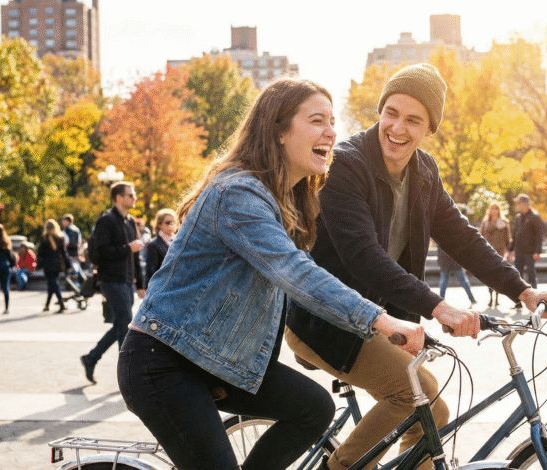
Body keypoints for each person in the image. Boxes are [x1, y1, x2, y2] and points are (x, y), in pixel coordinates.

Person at [116, 77, 424, 470]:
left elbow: (321, 271)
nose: (331, 132)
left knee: (313, 408)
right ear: (279, 131)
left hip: (216, 359)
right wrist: (379, 320)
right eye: (317, 120)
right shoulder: (239, 194)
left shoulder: (286, 202)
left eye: (333, 121)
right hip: (164, 362)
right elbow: (295, 273)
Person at [285, 63, 547, 470]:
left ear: (429, 128)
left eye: (413, 120)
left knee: (432, 415)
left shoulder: (424, 171)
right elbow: (363, 256)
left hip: (380, 322)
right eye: (391, 113)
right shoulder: (345, 166)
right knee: (415, 397)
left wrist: (523, 290)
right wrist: (439, 307)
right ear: (380, 111)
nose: (397, 127)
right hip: (328, 321)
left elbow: (462, 238)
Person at [80, 181, 146, 384]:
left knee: (121, 324)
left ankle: (91, 358)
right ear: (119, 198)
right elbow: (98, 254)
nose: (134, 198)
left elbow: (135, 256)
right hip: (110, 281)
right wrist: (127, 248)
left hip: (126, 281)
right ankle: (128, 377)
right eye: (131, 195)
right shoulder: (106, 221)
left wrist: (141, 284)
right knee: (126, 326)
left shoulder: (130, 222)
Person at [507, 193, 546, 309]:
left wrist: (538, 251)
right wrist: (511, 250)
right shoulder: (519, 217)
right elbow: (515, 235)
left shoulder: (535, 216)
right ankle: (518, 302)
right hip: (519, 252)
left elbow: (539, 235)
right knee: (517, 277)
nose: (516, 205)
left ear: (524, 203)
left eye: (518, 203)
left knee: (531, 276)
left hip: (530, 252)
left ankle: (536, 301)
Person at [480, 203, 511, 307]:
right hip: (488, 251)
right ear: (489, 210)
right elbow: (480, 237)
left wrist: (510, 251)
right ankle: (490, 297)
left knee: (497, 276)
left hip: (499, 251)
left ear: (499, 210)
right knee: (489, 276)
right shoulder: (485, 223)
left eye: (496, 208)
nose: (494, 210)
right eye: (492, 208)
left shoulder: (504, 223)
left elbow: (507, 238)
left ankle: (497, 298)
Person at [37, 219, 70, 313]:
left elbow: (40, 253)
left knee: (53, 284)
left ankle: (61, 303)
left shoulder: (45, 238)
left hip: (48, 264)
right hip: (58, 264)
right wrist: (68, 264)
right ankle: (47, 305)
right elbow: (64, 252)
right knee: (52, 284)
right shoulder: (60, 237)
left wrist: (39, 264)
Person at [144, 208, 176, 286]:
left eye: (173, 222)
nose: (171, 225)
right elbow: (151, 270)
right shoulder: (154, 244)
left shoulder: (179, 241)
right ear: (159, 224)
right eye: (168, 222)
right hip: (162, 286)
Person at [61, 214, 83, 279]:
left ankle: (72, 281)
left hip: (68, 251)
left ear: (67, 221)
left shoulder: (66, 230)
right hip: (75, 250)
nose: (62, 223)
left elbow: (65, 241)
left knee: (70, 267)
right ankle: (80, 279)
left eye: (63, 221)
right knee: (76, 265)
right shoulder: (77, 229)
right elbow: (79, 241)